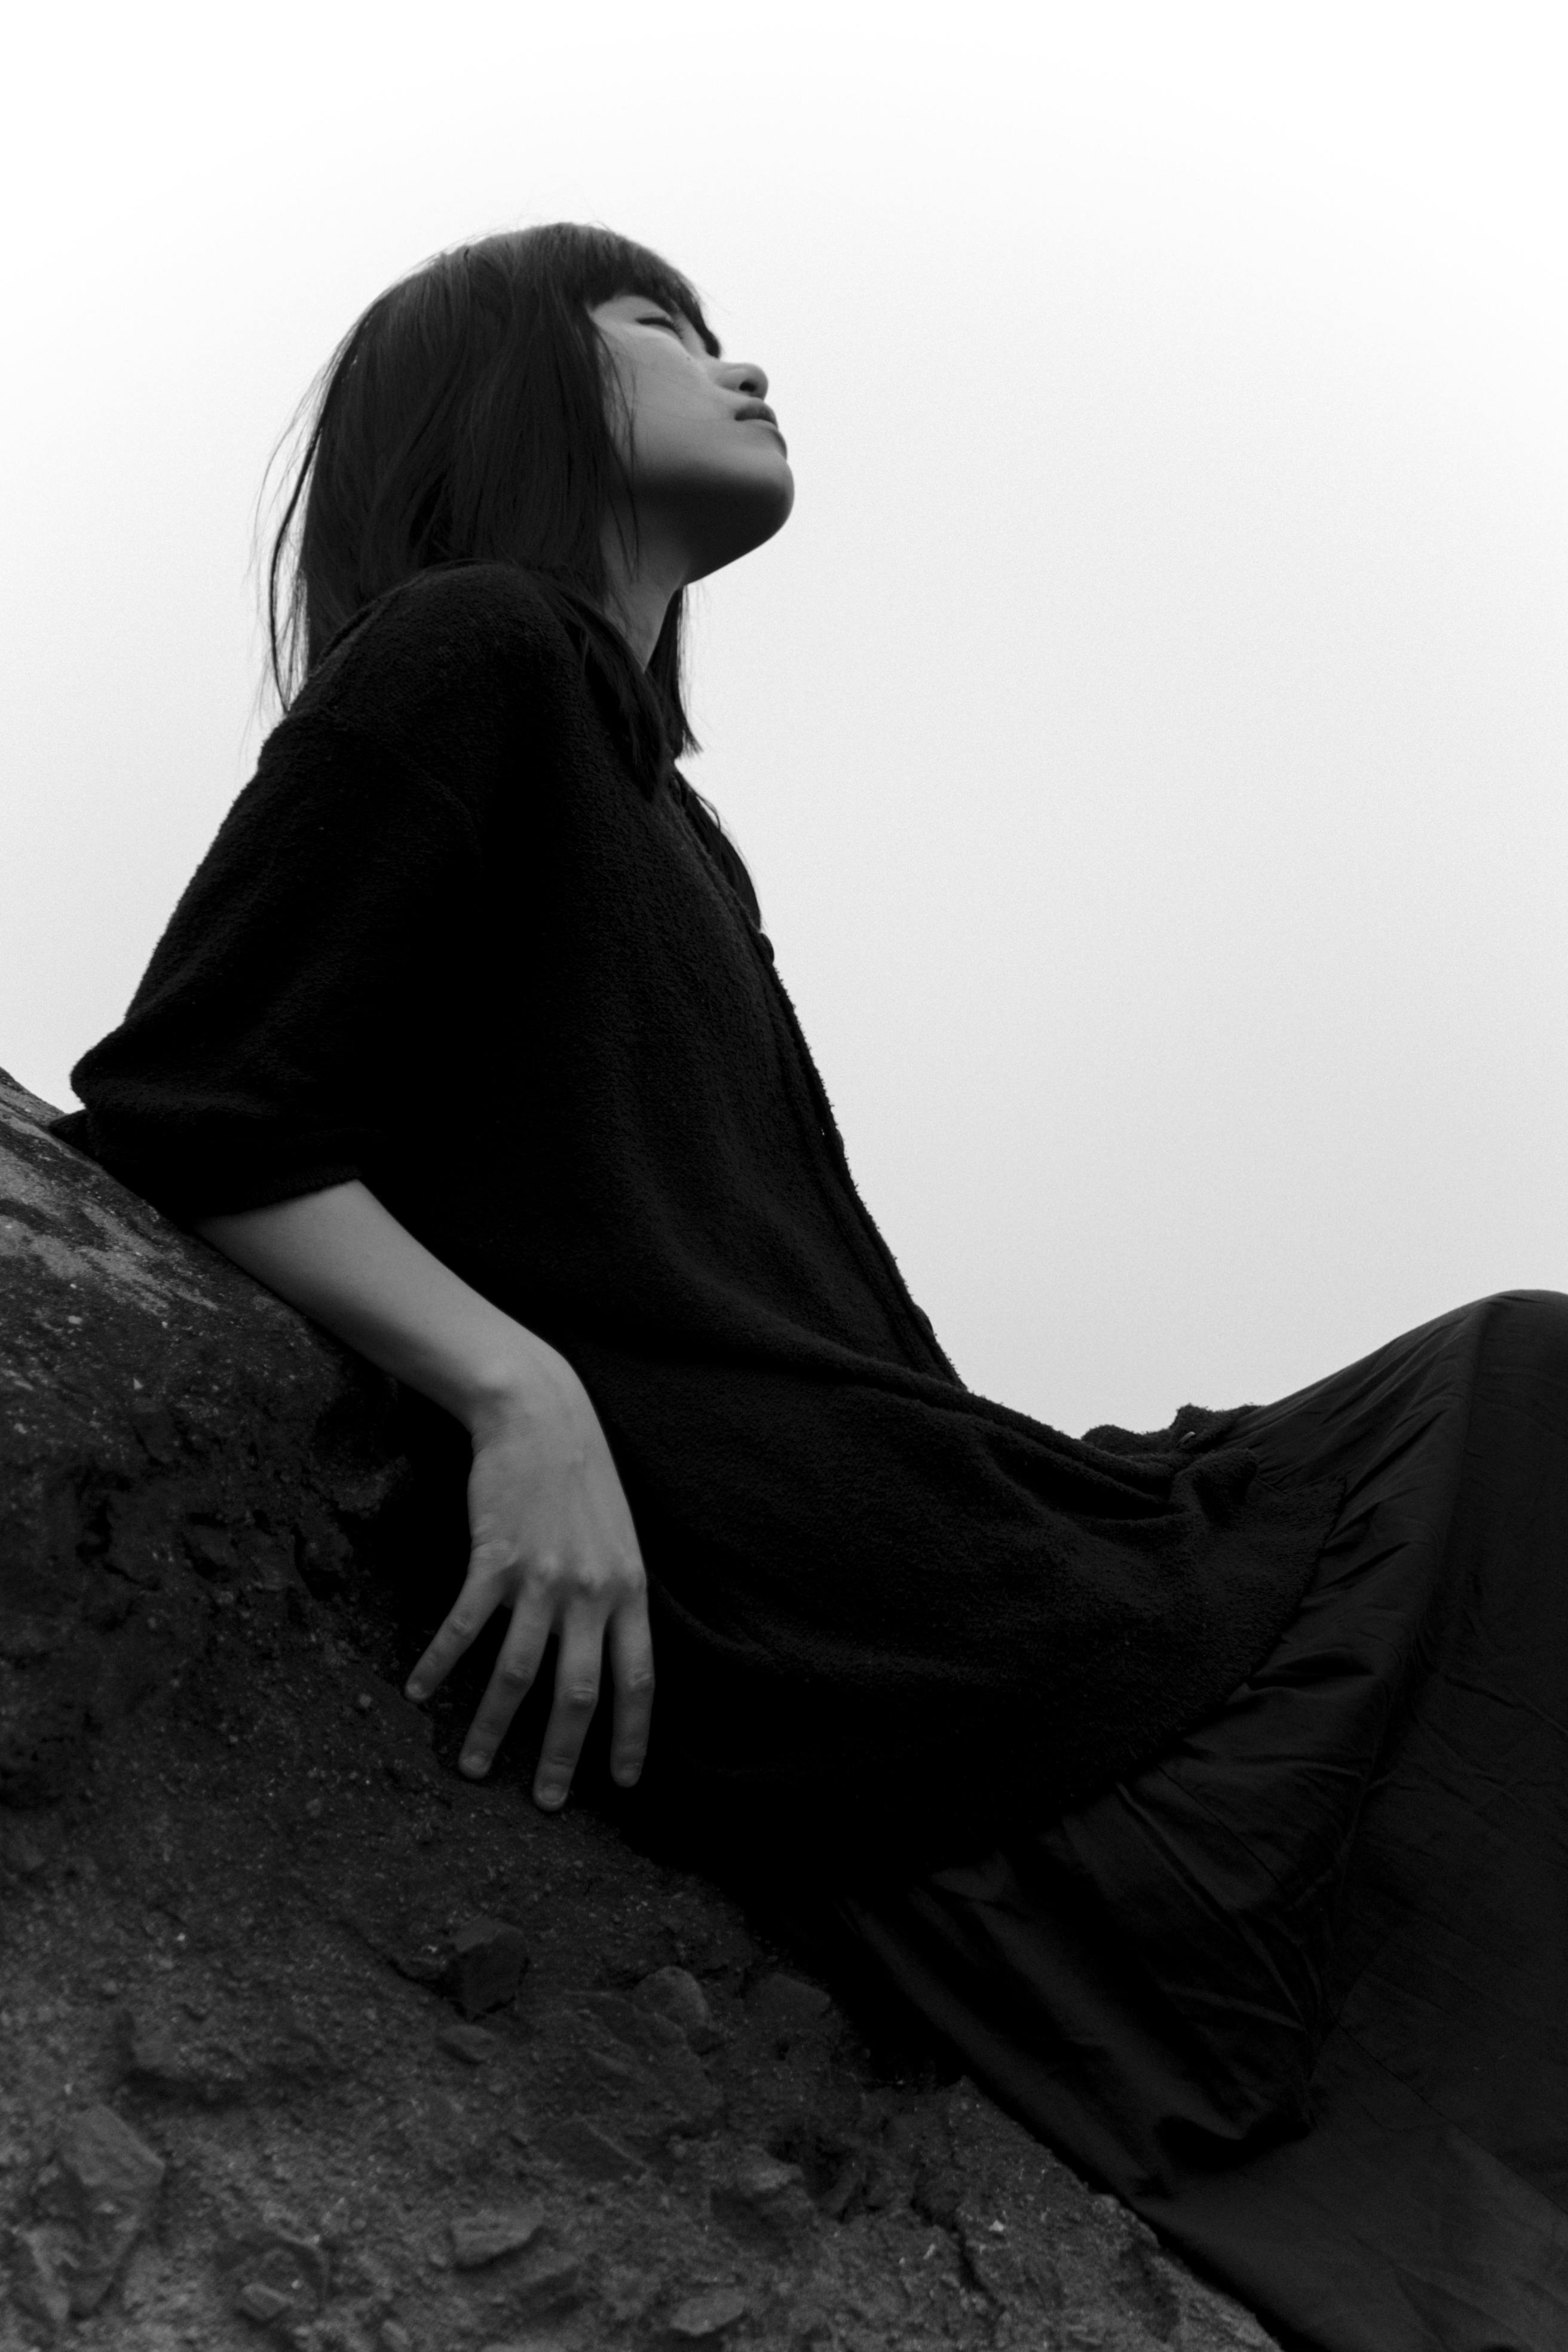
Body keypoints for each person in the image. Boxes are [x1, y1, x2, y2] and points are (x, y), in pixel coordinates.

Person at [53, 223, 1568, 2352]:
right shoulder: (474, 651)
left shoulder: (672, 825)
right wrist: (516, 1392)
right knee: (1529, 1397)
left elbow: (843, 1330)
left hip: (934, 1557)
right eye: (659, 324)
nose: (736, 360)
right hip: (830, 1639)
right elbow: (197, 1107)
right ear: (514, 387)